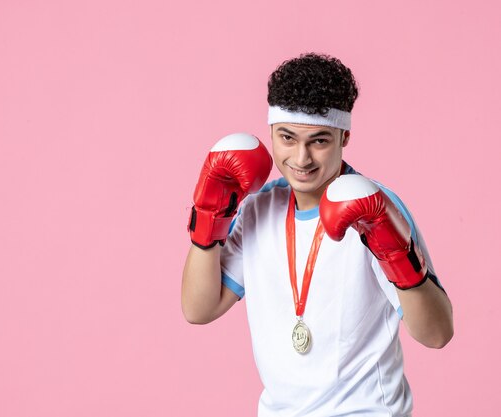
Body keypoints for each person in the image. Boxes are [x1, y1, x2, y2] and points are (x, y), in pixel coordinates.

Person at [182, 53, 453, 417]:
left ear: (345, 136)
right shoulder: (258, 208)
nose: (302, 157)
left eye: (319, 141)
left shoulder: (377, 209)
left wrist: (397, 256)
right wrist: (208, 217)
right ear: (272, 133)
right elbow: (198, 309)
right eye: (287, 138)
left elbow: (436, 335)